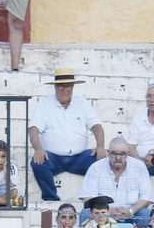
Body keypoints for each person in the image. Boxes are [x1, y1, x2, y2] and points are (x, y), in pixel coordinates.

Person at [28, 68, 103, 203]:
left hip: (80, 158)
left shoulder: (82, 103)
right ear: (55, 87)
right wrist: (38, 149)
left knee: (104, 160)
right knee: (37, 163)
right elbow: (33, 129)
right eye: (61, 86)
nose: (65, 90)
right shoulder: (44, 104)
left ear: (73, 87)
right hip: (53, 158)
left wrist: (100, 146)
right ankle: (51, 199)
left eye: (68, 86)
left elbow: (96, 125)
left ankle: (96, 199)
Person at [78, 138, 153, 226]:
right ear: (108, 153)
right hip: (102, 214)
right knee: (86, 212)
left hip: (131, 214)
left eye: (122, 154)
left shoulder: (139, 167)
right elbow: (87, 198)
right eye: (114, 154)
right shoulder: (96, 168)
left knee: (145, 213)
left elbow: (147, 197)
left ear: (128, 153)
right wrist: (107, 210)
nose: (118, 158)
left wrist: (130, 211)